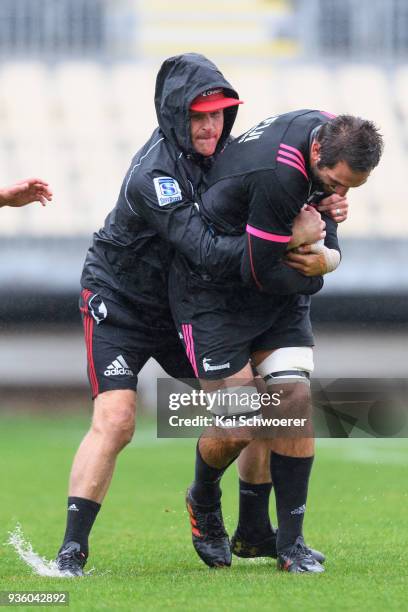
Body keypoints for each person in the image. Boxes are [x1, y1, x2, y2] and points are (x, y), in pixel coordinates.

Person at [55, 53, 249, 576]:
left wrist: (326, 206)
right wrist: (272, 247)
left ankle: (203, 500)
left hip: (180, 308)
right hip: (119, 301)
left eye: (219, 114)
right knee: (117, 421)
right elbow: (205, 249)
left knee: (244, 413)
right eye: (198, 116)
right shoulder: (154, 175)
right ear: (174, 114)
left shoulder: (230, 154)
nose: (211, 127)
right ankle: (72, 550)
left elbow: (276, 191)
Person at [169, 111, 383, 572]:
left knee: (293, 400)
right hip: (214, 296)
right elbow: (257, 269)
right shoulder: (278, 174)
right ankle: (203, 496)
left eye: (351, 188)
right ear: (317, 152)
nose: (338, 195)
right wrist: (315, 270)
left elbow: (323, 235)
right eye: (334, 182)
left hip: (275, 294)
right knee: (242, 423)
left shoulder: (327, 136)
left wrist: (329, 254)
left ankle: (283, 543)